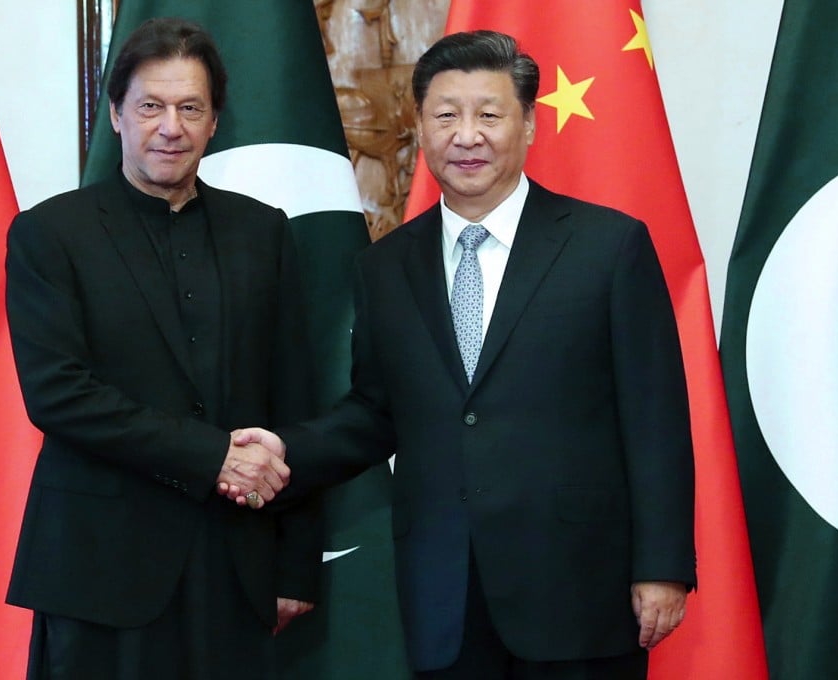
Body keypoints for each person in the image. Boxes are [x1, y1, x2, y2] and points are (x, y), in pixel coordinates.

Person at [228, 30, 695, 679]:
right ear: (421, 127)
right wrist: (287, 453)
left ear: (529, 124)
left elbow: (657, 419)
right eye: (446, 114)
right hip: (444, 592)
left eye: (489, 114)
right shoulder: (385, 267)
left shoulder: (607, 248)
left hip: (579, 590)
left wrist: (664, 567)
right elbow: (374, 412)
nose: (466, 135)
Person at [4, 17, 320, 679]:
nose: (169, 126)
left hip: (234, 567)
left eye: (189, 108)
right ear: (116, 114)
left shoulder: (263, 233)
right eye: (150, 106)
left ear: (214, 122)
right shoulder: (49, 235)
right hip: (99, 569)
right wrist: (214, 456)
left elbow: (295, 402)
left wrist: (294, 566)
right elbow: (60, 395)